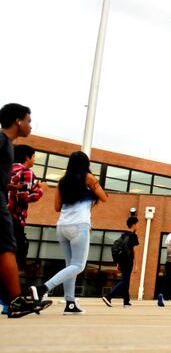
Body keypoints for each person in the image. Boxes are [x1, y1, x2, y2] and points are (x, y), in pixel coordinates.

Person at [29, 151, 108, 315]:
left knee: (70, 266)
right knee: (78, 265)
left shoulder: (62, 181)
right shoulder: (88, 177)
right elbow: (104, 197)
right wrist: (93, 188)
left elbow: (57, 208)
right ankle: (43, 288)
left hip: (62, 226)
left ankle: (70, 303)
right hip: (79, 226)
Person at [0, 103, 51, 318]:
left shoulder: (8, 146)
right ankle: (15, 301)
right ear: (18, 121)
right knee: (6, 248)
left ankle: (12, 300)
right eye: (28, 120)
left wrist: (10, 186)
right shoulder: (2, 141)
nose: (30, 125)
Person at [8, 144, 45, 271]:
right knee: (15, 261)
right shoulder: (26, 172)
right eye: (33, 156)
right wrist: (41, 189)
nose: (34, 159)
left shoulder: (5, 170)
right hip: (14, 220)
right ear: (27, 157)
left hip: (4, 217)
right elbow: (25, 196)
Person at [102, 216, 140, 308]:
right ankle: (109, 296)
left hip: (122, 261)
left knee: (125, 281)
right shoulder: (133, 236)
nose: (138, 226)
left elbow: (120, 249)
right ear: (134, 224)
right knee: (125, 280)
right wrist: (136, 264)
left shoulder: (123, 235)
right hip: (128, 261)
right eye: (137, 224)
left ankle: (126, 302)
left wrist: (118, 263)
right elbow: (135, 251)